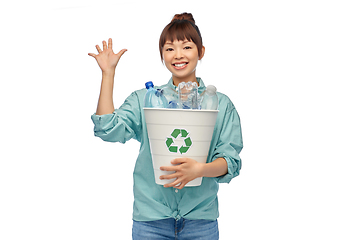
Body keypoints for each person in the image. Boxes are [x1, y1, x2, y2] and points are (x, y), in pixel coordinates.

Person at [89, 12, 243, 240]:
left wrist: (199, 170)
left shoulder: (221, 104)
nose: (178, 55)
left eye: (187, 47)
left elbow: (230, 162)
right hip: (151, 220)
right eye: (170, 48)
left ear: (201, 52)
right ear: (161, 54)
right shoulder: (145, 99)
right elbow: (108, 128)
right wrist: (108, 74)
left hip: (200, 220)